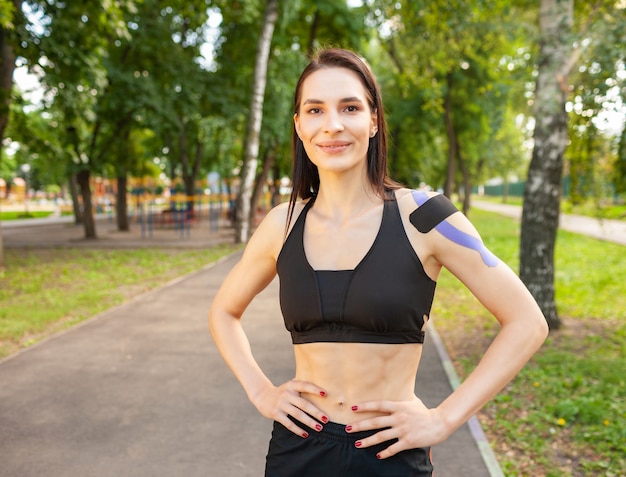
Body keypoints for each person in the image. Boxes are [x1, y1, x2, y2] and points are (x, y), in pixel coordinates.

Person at [209, 47, 548, 476]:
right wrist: (261, 391)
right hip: (298, 451)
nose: (332, 125)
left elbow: (527, 322)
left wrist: (443, 419)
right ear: (299, 126)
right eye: (315, 110)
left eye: (349, 107)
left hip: (389, 454)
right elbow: (223, 311)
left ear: (372, 120)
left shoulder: (427, 216)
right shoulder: (283, 223)